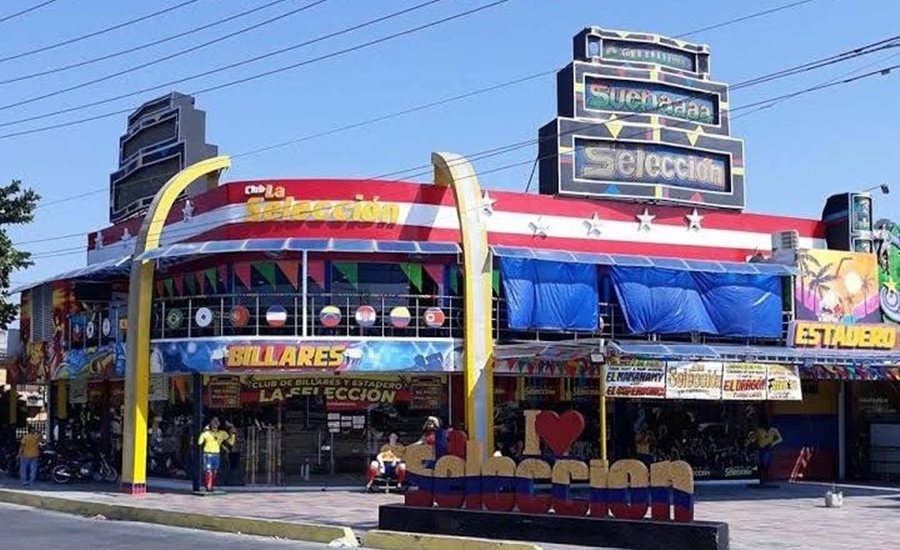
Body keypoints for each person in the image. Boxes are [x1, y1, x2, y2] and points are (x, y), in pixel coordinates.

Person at [748, 417, 783, 485]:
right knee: (760, 464)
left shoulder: (774, 430)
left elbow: (780, 439)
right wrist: (751, 438)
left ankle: (765, 478)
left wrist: (772, 443)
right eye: (765, 424)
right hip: (760, 448)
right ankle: (761, 478)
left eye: (768, 423)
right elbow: (753, 439)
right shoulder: (759, 430)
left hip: (768, 449)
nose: (767, 425)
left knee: (765, 463)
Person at [197, 417, 228, 492]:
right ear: (210, 423)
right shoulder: (207, 433)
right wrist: (203, 432)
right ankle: (208, 487)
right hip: (208, 454)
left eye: (217, 421)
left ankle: (211, 485)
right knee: (208, 471)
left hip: (216, 454)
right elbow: (199, 442)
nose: (215, 423)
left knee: (215, 471)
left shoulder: (222, 433)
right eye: (213, 421)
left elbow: (230, 440)